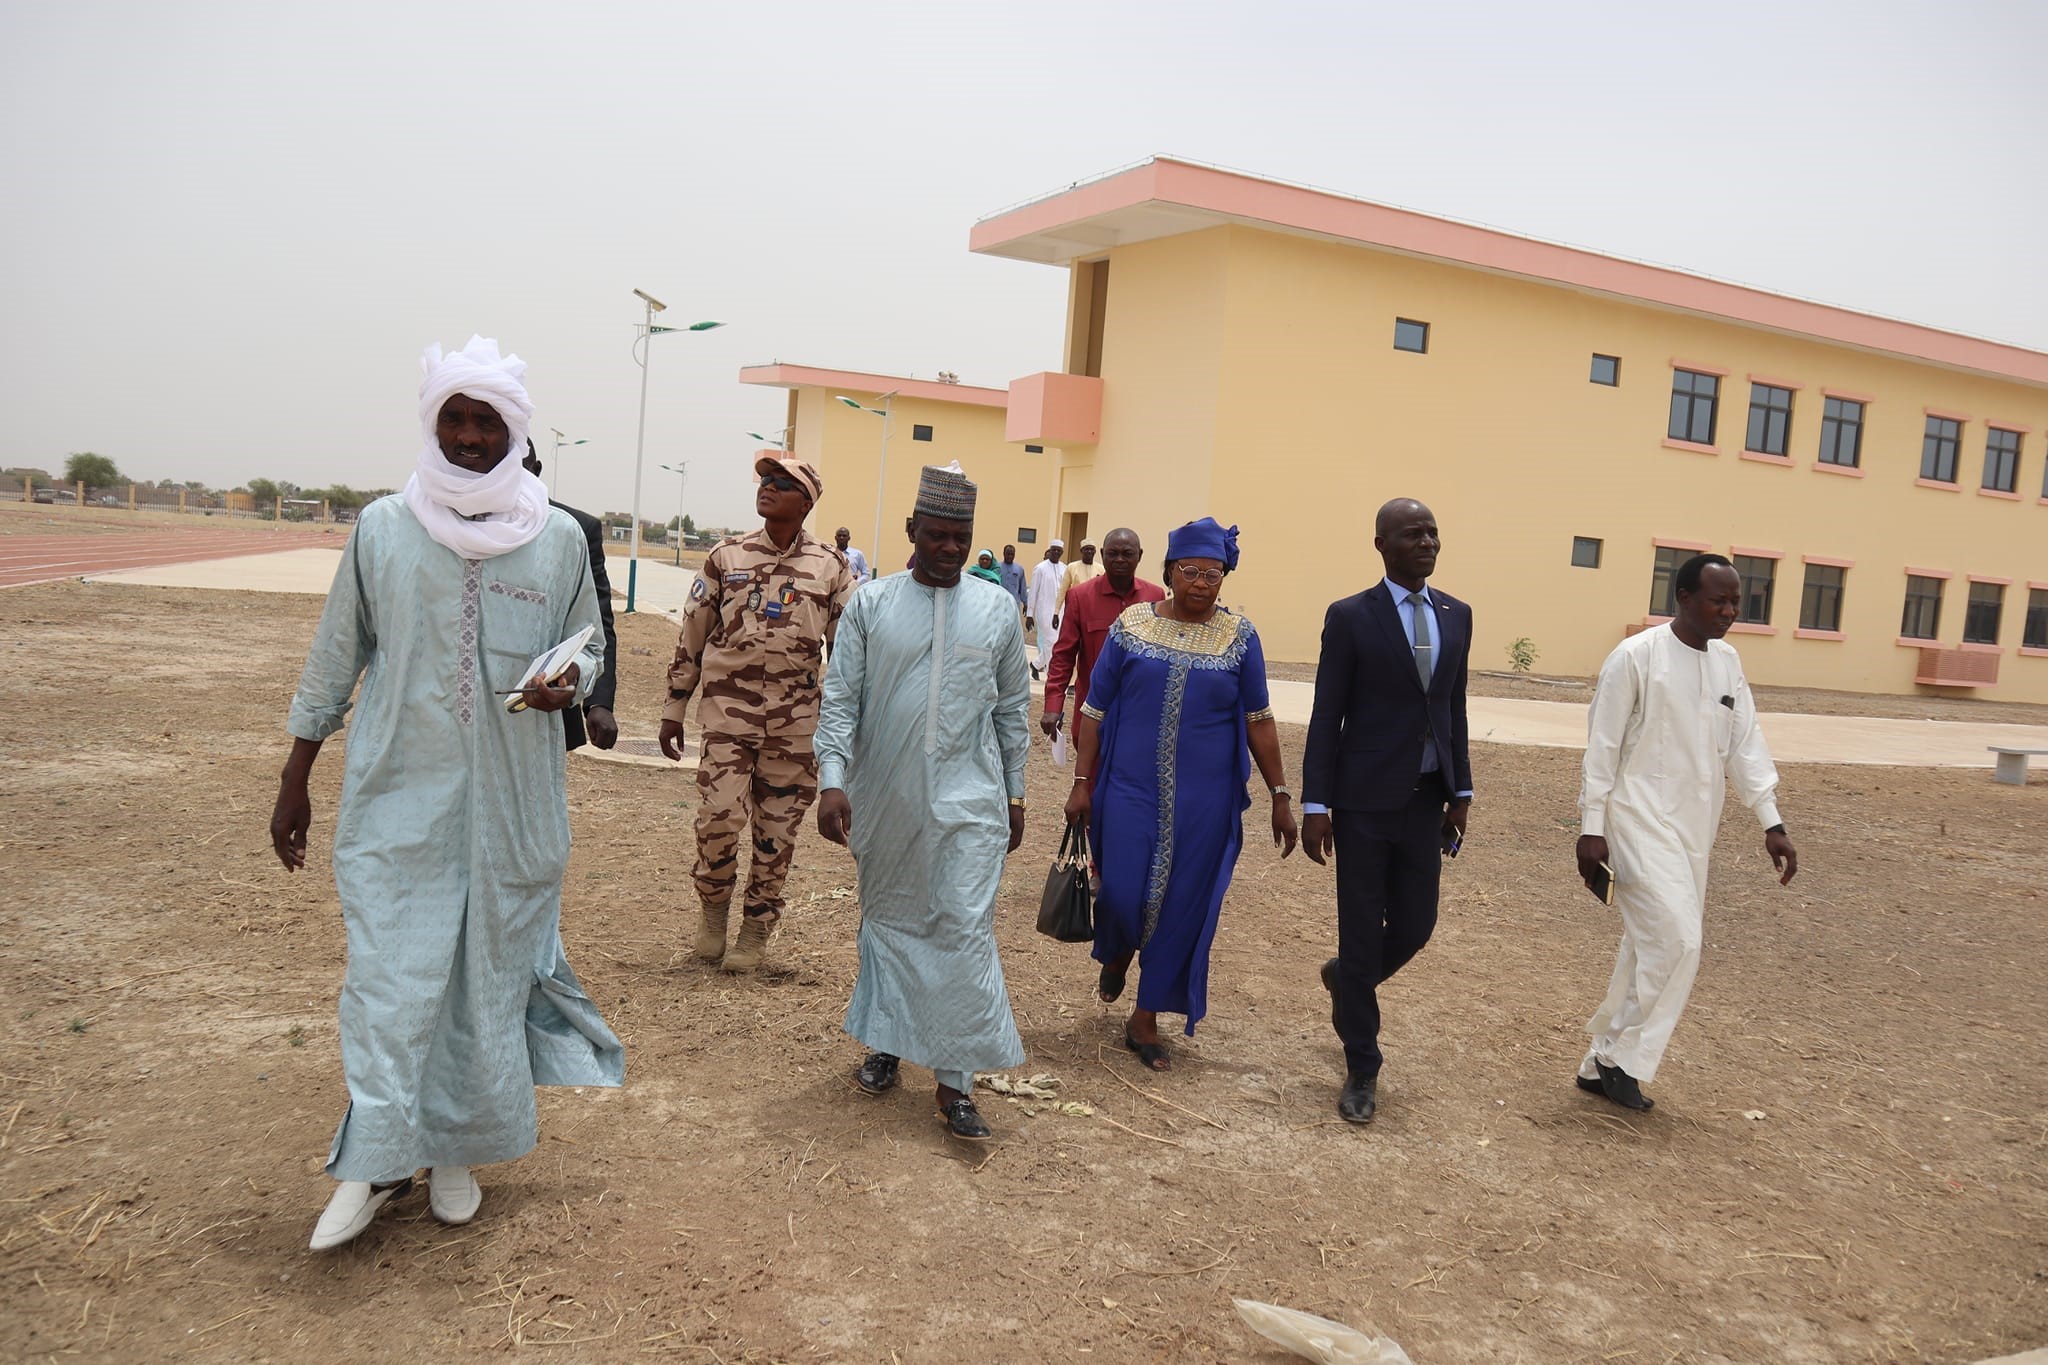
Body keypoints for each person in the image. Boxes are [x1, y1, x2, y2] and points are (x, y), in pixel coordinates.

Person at [269, 336, 622, 1251]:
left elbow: (588, 646)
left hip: (513, 811)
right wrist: (295, 775)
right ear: (433, 424)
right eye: (454, 419)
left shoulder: (553, 539)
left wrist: (569, 684)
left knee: (483, 987)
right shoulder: (385, 527)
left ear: (514, 430)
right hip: (398, 800)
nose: (469, 437)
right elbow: (336, 654)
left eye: (487, 421)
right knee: (390, 984)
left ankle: (457, 1151)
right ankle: (377, 1161)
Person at [814, 462, 1031, 1142]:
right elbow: (841, 699)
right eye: (935, 535)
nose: (948, 549)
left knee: (963, 932)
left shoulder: (997, 608)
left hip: (973, 800)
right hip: (887, 800)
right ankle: (886, 1042)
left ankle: (955, 1081)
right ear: (911, 530)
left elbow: (1014, 712)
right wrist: (831, 778)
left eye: (959, 538)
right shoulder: (872, 605)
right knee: (893, 923)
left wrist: (1017, 791)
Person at [1064, 518, 1297, 1070]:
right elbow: (1094, 710)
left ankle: (1145, 1018)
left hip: (1206, 800)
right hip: (1127, 789)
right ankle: (1118, 950)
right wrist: (1081, 782)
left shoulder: (1240, 637)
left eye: (1213, 574)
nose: (1201, 583)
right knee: (1120, 892)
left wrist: (1281, 794)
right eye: (1190, 571)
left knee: (1183, 905)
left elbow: (1258, 719)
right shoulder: (1132, 626)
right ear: (1168, 572)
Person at [1573, 553, 1798, 1111]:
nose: (1729, 611)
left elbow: (1746, 743)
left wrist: (1771, 820)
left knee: (1647, 947)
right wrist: (1590, 829)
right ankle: (1621, 1060)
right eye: (1718, 600)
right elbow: (1601, 748)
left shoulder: (1727, 662)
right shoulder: (1636, 656)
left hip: (1695, 831)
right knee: (1679, 941)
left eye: (1735, 602)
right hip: (1635, 820)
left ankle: (1597, 1063)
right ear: (1683, 599)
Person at [1301, 498, 1471, 1125]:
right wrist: (1316, 802)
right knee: (1359, 923)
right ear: (1381, 545)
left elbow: (1453, 708)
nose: (1426, 542)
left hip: (1427, 800)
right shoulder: (1351, 617)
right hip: (1362, 801)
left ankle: (1347, 978)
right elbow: (1327, 714)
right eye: (1412, 534)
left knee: (1417, 925)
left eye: (1432, 532)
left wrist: (1461, 792)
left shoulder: (1456, 614)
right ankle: (1362, 1066)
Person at [659, 455, 855, 972]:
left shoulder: (832, 567)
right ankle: (714, 913)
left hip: (796, 726)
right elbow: (693, 633)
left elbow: (848, 653)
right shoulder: (726, 557)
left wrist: (845, 727)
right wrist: (674, 706)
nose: (767, 487)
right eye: (765, 480)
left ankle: (754, 932)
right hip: (727, 718)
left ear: (807, 501)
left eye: (783, 483)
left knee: (776, 834)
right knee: (718, 818)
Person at [523, 441, 617, 751]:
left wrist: (598, 702)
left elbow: (595, 622)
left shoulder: (573, 529)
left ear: (536, 471)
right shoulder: (448, 524)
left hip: (544, 705)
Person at [1040, 527, 1163, 744]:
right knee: (1088, 777)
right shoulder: (1080, 597)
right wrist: (1053, 705)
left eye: (1127, 553)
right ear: (1102, 553)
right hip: (1092, 715)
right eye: (1112, 553)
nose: (1119, 559)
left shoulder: (1155, 597)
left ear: (1140, 555)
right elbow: (1063, 656)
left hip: (1140, 716)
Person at [1026, 540, 1066, 680]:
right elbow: (1033, 592)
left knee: (1055, 641)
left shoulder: (1064, 568)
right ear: (1050, 550)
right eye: (1053, 550)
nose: (1055, 552)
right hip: (1043, 611)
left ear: (1061, 552)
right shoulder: (1040, 568)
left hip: (1060, 611)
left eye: (1058, 550)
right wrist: (1029, 614)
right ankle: (1052, 675)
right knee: (1052, 641)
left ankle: (1036, 664)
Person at [1055, 538, 1101, 614]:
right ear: (1081, 551)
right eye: (1086, 549)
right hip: (1075, 607)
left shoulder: (1101, 569)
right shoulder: (1072, 567)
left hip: (1094, 609)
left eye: (1091, 549)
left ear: (1095, 551)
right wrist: (1056, 612)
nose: (1089, 552)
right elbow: (1062, 591)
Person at [999, 544, 1027, 610]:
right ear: (1003, 554)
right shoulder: (997, 568)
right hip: (1000, 603)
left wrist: (1025, 603)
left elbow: (1022, 588)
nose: (1010, 556)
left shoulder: (1019, 569)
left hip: (1014, 603)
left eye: (1012, 554)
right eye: (1008, 554)